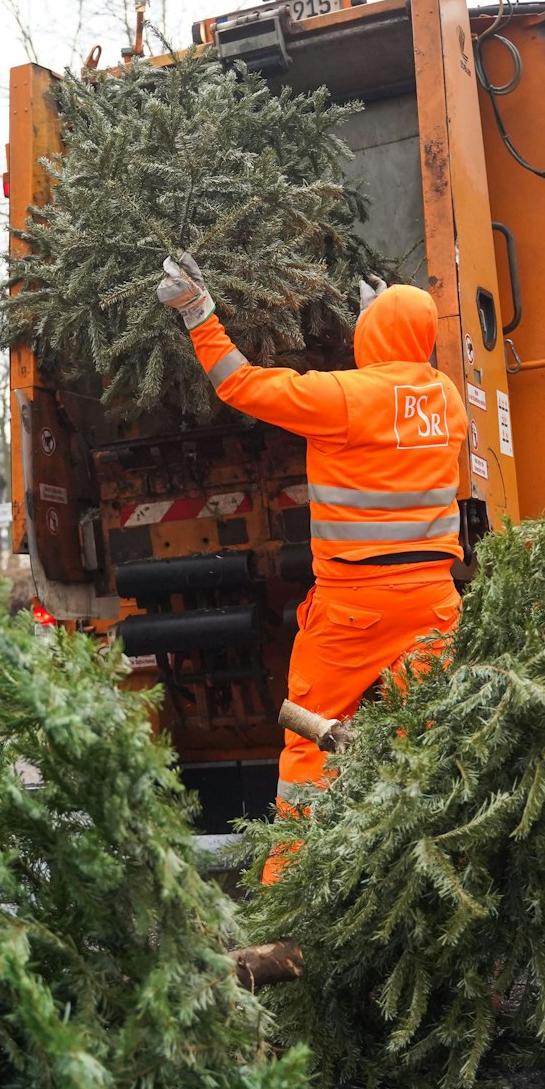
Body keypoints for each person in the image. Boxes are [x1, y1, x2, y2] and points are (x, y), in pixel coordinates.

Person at [158, 255, 467, 882]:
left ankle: (290, 891)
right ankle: (437, 874)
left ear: (370, 338)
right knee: (435, 738)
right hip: (434, 602)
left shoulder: (343, 398)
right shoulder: (449, 401)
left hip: (355, 606)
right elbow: (402, 388)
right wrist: (381, 323)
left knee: (310, 738)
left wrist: (198, 313)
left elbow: (238, 384)